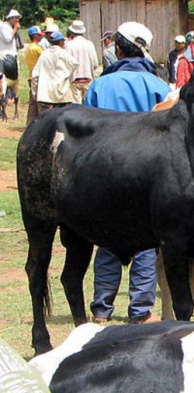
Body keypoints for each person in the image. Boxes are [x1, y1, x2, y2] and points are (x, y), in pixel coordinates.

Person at [85, 22, 171, 325]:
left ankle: (101, 309)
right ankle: (141, 311)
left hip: (105, 174)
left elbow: (86, 133)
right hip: (147, 177)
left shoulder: (99, 85)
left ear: (118, 49)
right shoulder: (161, 87)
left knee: (107, 239)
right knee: (147, 242)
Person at [32, 31, 79, 113]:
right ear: (60, 42)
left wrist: (34, 92)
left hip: (45, 94)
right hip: (61, 94)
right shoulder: (63, 53)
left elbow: (35, 75)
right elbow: (75, 64)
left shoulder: (44, 54)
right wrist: (66, 72)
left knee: (45, 121)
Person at [65, 20, 99, 104]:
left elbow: (66, 63)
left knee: (77, 107)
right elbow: (95, 63)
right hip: (88, 78)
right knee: (89, 105)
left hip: (74, 79)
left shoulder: (69, 45)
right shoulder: (89, 44)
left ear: (72, 32)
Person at [26, 26, 46, 126]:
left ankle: (30, 123)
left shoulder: (29, 47)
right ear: (35, 36)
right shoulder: (37, 49)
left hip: (31, 76)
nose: (41, 37)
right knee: (39, 102)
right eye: (39, 35)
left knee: (32, 104)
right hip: (38, 78)